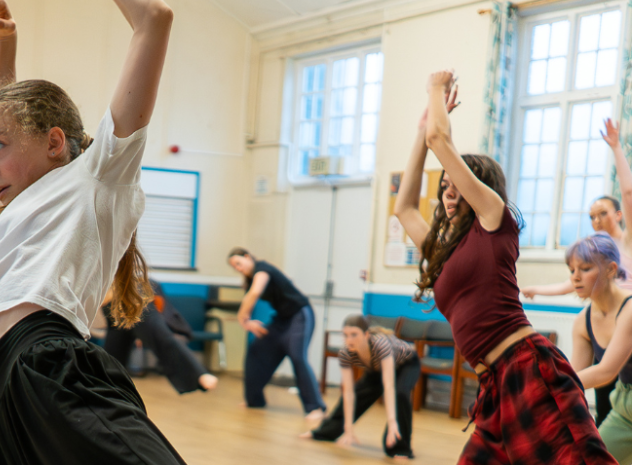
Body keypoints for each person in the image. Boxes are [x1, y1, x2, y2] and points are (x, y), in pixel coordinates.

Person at [0, 0, 182, 463]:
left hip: (52, 371)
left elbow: (154, 19)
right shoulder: (29, 204)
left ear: (54, 141)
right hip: (12, 393)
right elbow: (1, 108)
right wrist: (4, 41)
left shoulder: (98, 175)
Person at [394, 70, 616, 464]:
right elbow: (404, 207)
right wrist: (421, 131)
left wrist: (434, 89)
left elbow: (440, 141)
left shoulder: (495, 222)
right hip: (493, 385)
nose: (448, 196)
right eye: (444, 188)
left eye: (456, 187)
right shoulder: (443, 251)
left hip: (528, 368)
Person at [522, 120, 632, 425]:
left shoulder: (627, 242)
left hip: (627, 318)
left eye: (603, 213)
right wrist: (536, 290)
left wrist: (616, 147)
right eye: (592, 216)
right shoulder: (591, 255)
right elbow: (574, 282)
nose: (597, 220)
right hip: (606, 319)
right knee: (608, 401)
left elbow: (628, 191)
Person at [227, 248, 326, 424]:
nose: (238, 268)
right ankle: (254, 400)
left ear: (248, 257)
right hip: (282, 320)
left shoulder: (262, 269)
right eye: (234, 267)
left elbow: (255, 294)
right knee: (257, 350)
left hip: (300, 315)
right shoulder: (250, 280)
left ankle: (316, 408)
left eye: (238, 263)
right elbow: (251, 295)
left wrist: (243, 318)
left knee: (297, 356)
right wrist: (248, 323)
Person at [303, 314, 419, 459]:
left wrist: (392, 422)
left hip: (407, 365)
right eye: (345, 335)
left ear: (366, 335)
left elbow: (388, 387)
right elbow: (349, 393)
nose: (349, 340)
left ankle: (400, 448)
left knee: (400, 394)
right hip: (376, 369)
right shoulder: (345, 353)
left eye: (354, 335)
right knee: (358, 394)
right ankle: (324, 432)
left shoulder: (381, 345)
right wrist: (348, 429)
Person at [569, 233, 632, 462]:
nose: (575, 278)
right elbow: (574, 380)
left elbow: (605, 372)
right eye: (572, 270)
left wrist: (554, 383)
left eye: (585, 268)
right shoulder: (582, 322)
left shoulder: (630, 309)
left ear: (611, 269)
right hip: (625, 411)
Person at [102, 279, 218, 394]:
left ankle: (198, 373)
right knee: (113, 355)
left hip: (128, 292)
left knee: (156, 333)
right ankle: (107, 390)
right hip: (111, 296)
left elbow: (159, 334)